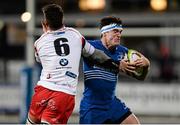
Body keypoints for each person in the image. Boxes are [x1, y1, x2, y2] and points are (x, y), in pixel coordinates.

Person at [26, 5, 122, 124]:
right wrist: (116, 64)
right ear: (63, 20)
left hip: (43, 90)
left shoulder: (39, 43)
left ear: (45, 23)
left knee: (30, 122)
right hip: (63, 93)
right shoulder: (75, 35)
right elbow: (95, 54)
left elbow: (40, 60)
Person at [79, 16, 150, 124]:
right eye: (115, 31)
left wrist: (146, 64)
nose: (119, 35)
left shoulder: (122, 52)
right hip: (92, 107)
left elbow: (141, 77)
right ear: (105, 33)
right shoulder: (90, 47)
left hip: (112, 104)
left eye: (120, 32)